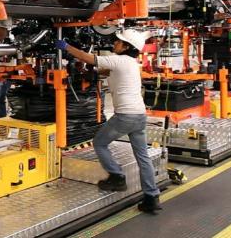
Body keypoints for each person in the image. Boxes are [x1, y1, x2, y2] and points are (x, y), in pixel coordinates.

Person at [55, 29, 162, 214]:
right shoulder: (130, 63)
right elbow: (105, 71)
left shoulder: (118, 60)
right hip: (139, 115)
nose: (114, 44)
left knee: (99, 142)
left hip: (125, 116)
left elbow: (89, 58)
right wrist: (89, 71)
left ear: (126, 47)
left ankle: (117, 176)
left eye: (118, 42)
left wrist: (66, 47)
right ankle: (152, 197)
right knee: (143, 157)